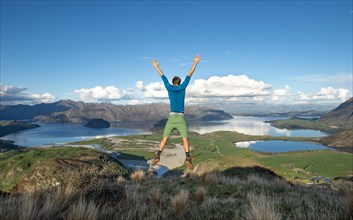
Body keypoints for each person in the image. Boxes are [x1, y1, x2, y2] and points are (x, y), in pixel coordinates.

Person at [151, 54, 201, 170]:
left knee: (165, 138)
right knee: (184, 138)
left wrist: (156, 66)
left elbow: (162, 76)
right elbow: (189, 74)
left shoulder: (169, 87)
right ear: (179, 82)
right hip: (181, 117)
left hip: (172, 117)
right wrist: (195, 62)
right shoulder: (183, 87)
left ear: (173, 82)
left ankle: (158, 156)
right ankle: (188, 158)